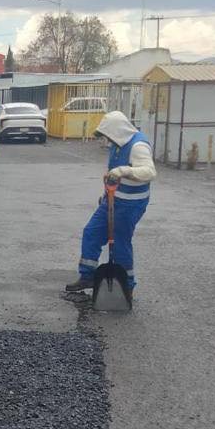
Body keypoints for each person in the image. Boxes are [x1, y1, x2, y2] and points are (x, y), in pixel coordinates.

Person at [65, 110, 156, 296]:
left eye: (107, 134)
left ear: (117, 130)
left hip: (131, 203)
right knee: (91, 232)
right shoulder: (117, 145)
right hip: (112, 199)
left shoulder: (137, 145)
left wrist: (124, 170)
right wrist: (106, 194)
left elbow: (149, 171)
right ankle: (87, 275)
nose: (106, 139)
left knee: (120, 242)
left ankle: (126, 287)